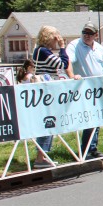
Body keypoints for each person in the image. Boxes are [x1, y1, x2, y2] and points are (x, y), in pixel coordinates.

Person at [66, 22, 103, 159]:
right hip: (84, 88)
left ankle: (92, 148)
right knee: (90, 119)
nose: (86, 35)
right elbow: (68, 62)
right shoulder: (74, 45)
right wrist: (72, 76)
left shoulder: (98, 47)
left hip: (99, 88)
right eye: (84, 32)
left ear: (96, 35)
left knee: (97, 118)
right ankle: (87, 150)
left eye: (90, 33)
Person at [31, 25, 77, 169]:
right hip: (46, 91)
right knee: (49, 123)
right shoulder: (43, 51)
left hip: (45, 90)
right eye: (56, 38)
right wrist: (63, 47)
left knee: (49, 123)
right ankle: (40, 158)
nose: (57, 41)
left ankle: (42, 156)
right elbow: (63, 63)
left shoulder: (39, 51)